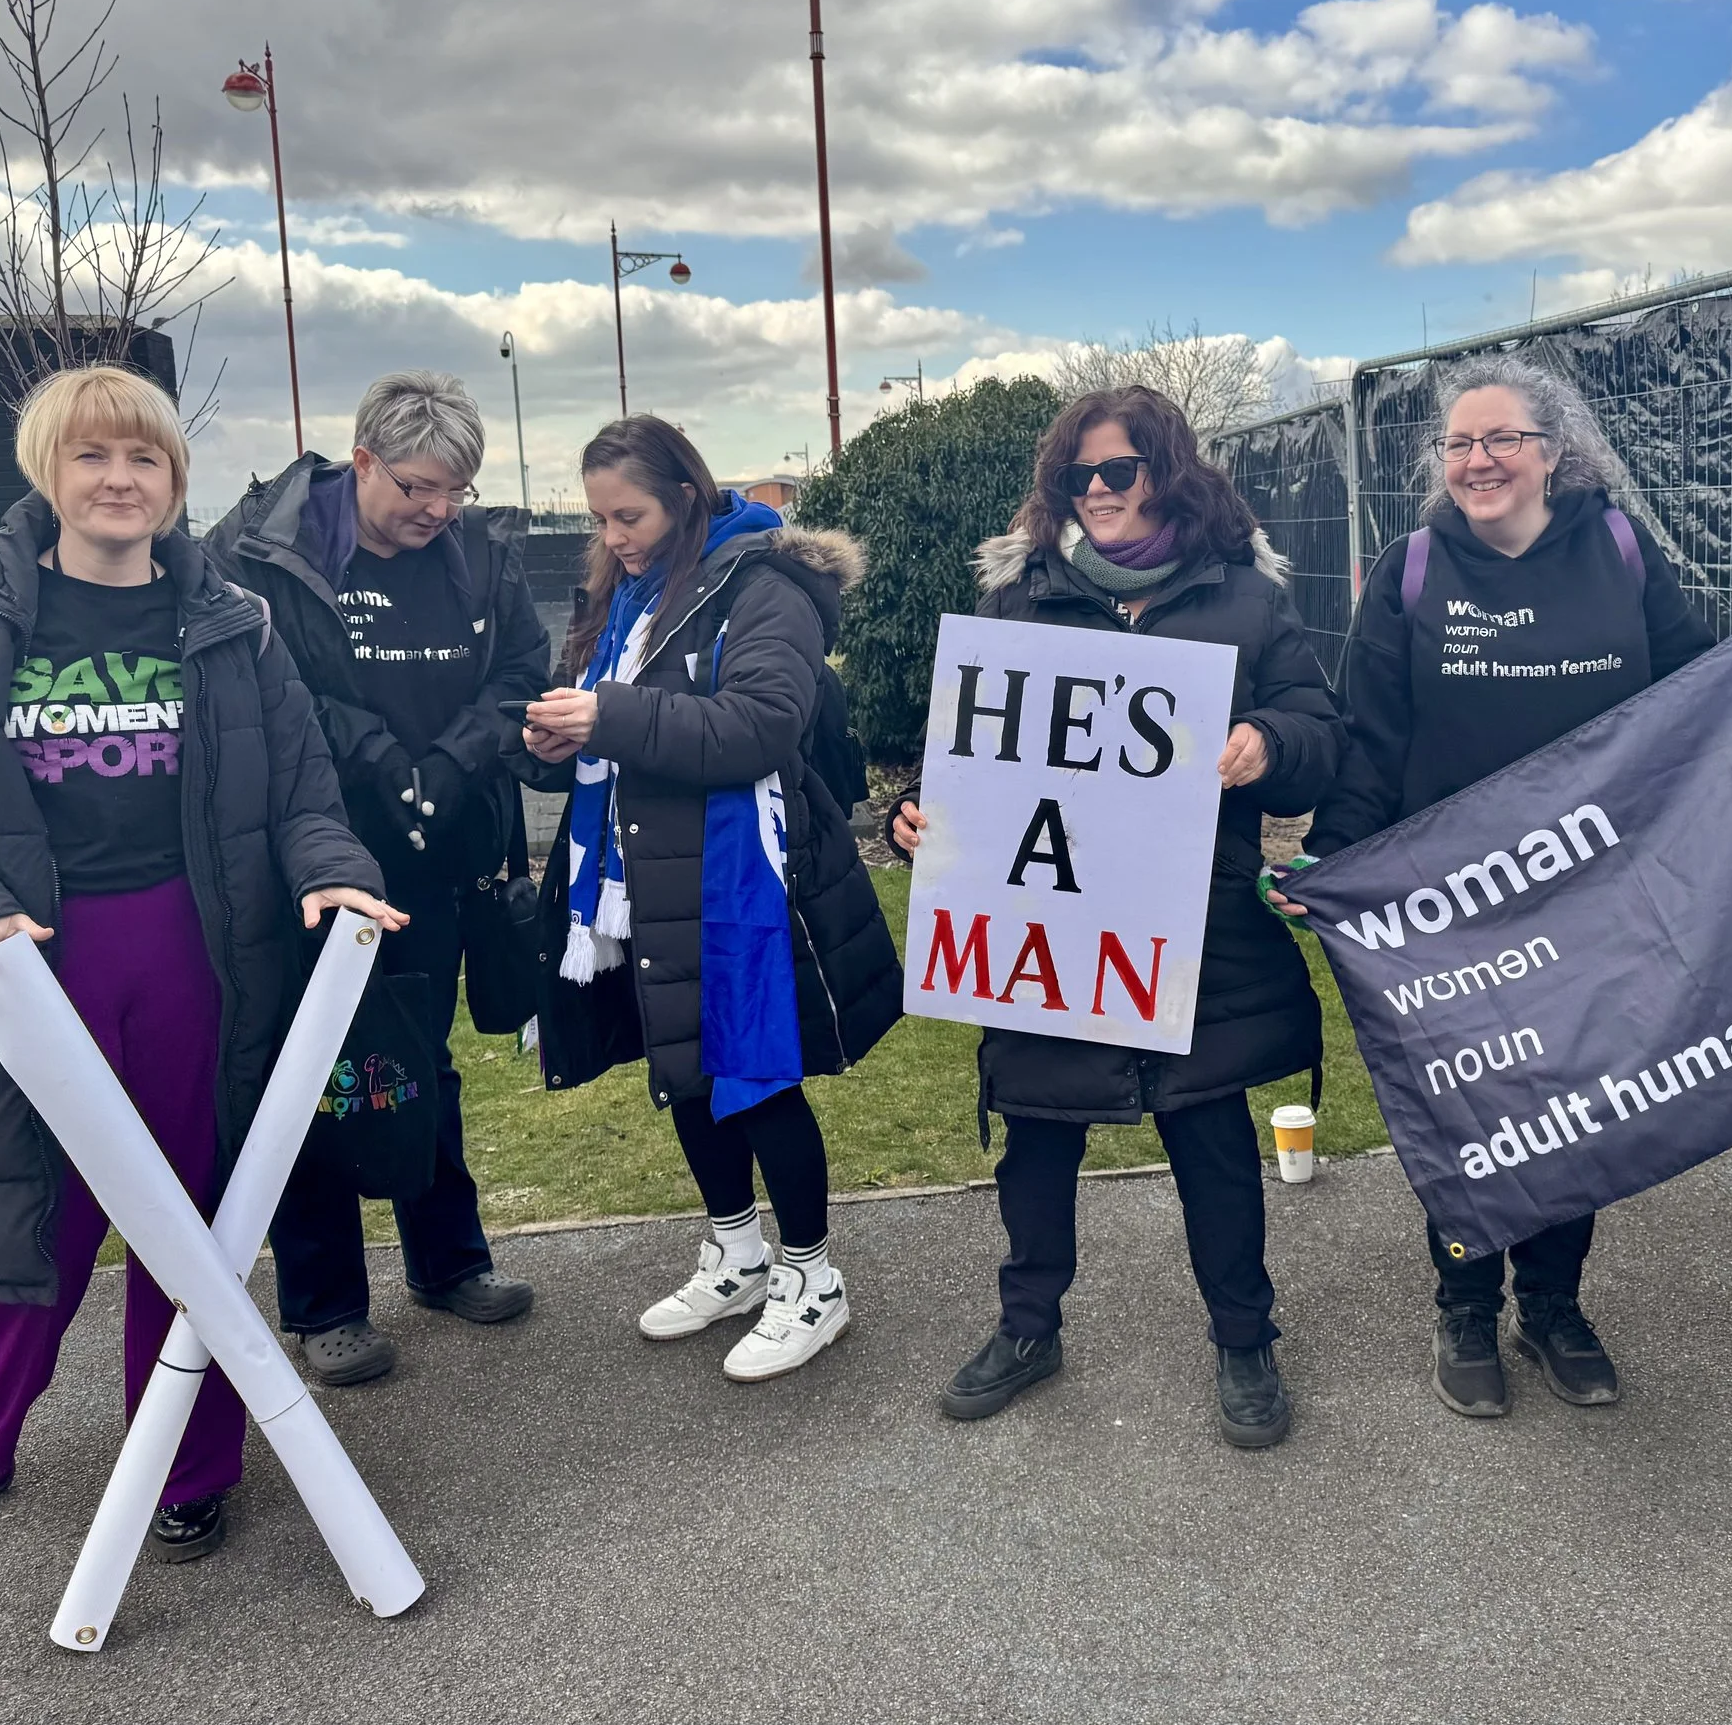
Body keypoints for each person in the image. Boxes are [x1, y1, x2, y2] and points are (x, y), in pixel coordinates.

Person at [0, 363, 398, 1563]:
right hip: (23, 961)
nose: (118, 478)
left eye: (143, 457)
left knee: (191, 1218)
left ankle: (189, 1464)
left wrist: (331, 869)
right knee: (31, 1213)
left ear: (175, 478)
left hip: (200, 958)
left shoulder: (231, 620)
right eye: (91, 455)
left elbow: (300, 787)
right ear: (48, 470)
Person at [892, 385, 1343, 1449]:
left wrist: (1269, 743)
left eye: (1117, 472)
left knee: (1212, 1142)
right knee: (1036, 1142)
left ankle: (1245, 1336)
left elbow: (1323, 730)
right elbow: (959, 755)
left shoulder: (1245, 601)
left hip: (1195, 936)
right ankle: (1026, 1326)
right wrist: (916, 817)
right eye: (1075, 477)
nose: (1095, 493)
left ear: (1167, 474)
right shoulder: (1017, 605)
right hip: (1048, 935)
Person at [1281, 359, 1713, 1420]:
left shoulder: (1618, 551)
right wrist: (1336, 854)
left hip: (1590, 891)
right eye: (1458, 445)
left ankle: (1554, 1307)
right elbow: (1370, 737)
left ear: (1552, 452)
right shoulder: (1414, 568)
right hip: (1455, 899)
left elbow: (1700, 692)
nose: (1476, 461)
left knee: (1577, 1105)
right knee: (1473, 1102)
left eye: (1501, 440)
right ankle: (1465, 1306)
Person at [521, 416, 901, 1381]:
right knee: (683, 1067)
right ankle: (737, 1251)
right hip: (644, 873)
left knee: (754, 1076)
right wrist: (569, 736)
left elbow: (762, 726)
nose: (614, 537)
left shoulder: (768, 584)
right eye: (601, 518)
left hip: (743, 880)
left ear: (688, 496)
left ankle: (813, 1278)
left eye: (630, 514)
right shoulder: (632, 594)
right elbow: (628, 717)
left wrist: (608, 715)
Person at [207, 371, 550, 1387]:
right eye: (417, 489)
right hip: (311, 858)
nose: (438, 512)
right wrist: (372, 757)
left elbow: (519, 677)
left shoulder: (479, 558)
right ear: (361, 460)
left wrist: (449, 761)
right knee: (317, 1072)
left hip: (441, 849)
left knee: (420, 1058)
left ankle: (449, 1260)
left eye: (456, 493)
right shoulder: (259, 553)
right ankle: (325, 1305)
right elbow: (265, 692)